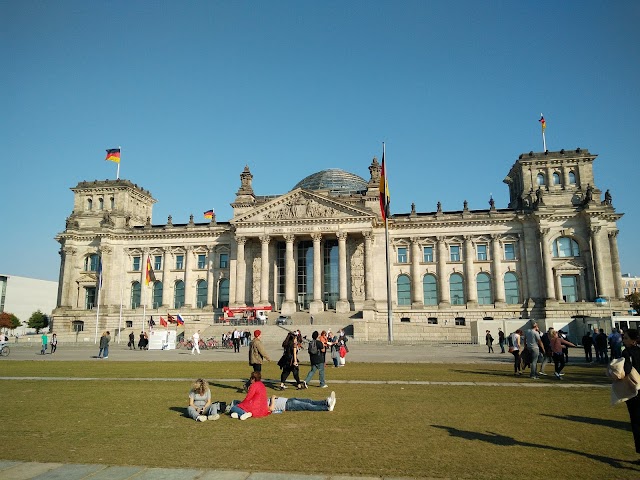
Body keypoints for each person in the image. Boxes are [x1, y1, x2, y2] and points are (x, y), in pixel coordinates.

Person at [622, 329, 640, 458]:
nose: (624, 340)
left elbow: (626, 370)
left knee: (636, 422)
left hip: (635, 390)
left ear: (633, 340)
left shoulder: (627, 352)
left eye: (626, 338)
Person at [268, 391, 336, 413]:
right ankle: (326, 408)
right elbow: (271, 408)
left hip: (288, 400)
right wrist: (273, 399)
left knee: (308, 401)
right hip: (287, 405)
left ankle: (326, 402)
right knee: (307, 405)